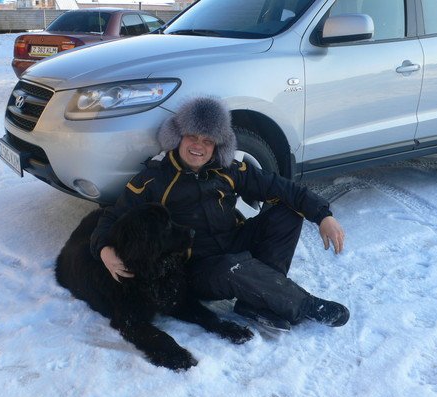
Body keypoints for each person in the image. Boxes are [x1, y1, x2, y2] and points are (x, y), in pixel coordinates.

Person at [90, 97, 349, 331]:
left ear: (217, 146)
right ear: (178, 137)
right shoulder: (154, 178)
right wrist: (104, 250)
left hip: (232, 241)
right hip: (196, 268)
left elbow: (282, 188)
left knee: (289, 211)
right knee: (231, 267)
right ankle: (303, 305)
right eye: (192, 136)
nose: (198, 146)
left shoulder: (229, 169)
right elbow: (114, 217)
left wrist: (323, 215)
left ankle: (257, 301)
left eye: (207, 141)